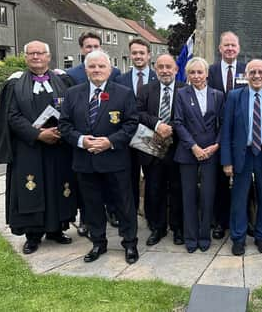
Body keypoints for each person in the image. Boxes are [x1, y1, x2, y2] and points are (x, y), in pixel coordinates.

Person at [0, 40, 77, 254]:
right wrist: (38, 134)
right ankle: (33, 236)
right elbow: (11, 116)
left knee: (58, 187)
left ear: (49, 57)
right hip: (29, 148)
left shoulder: (63, 81)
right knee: (31, 188)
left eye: (41, 53)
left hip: (58, 148)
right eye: (32, 54)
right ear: (25, 58)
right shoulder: (14, 84)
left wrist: (59, 132)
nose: (36, 57)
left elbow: (73, 111)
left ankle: (56, 230)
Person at [59, 50, 139, 265]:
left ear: (109, 69)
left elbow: (131, 123)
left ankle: (130, 243)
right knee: (92, 206)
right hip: (85, 161)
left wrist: (109, 141)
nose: (97, 70)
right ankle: (98, 242)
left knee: (124, 204)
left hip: (115, 160)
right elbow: (64, 125)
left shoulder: (123, 93)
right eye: (92, 67)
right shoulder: (73, 93)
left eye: (101, 66)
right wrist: (82, 140)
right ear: (85, 70)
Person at [221, 59, 262, 255]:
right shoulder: (234, 97)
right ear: (246, 75)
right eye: (253, 72)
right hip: (243, 154)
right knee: (239, 199)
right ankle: (238, 238)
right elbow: (227, 131)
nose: (257, 76)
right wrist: (227, 161)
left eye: (261, 72)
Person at [66, 31, 120, 235]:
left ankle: (111, 212)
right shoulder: (72, 75)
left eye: (96, 46)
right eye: (88, 46)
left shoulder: (113, 72)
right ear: (82, 50)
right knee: (86, 188)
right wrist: (81, 139)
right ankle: (87, 219)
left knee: (111, 184)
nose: (92, 50)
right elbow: (69, 110)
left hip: (108, 137)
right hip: (84, 139)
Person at [173, 57, 224, 253]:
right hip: (188, 152)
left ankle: (204, 235)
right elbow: (178, 122)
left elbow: (223, 122)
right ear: (187, 74)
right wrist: (193, 146)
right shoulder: (181, 94)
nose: (196, 76)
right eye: (192, 72)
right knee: (189, 196)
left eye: (199, 72)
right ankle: (190, 236)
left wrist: (216, 145)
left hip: (211, 152)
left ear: (207, 74)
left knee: (207, 196)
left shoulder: (217, 95)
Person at [137, 54, 185, 246]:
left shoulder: (185, 90)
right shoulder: (145, 90)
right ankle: (157, 228)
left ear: (176, 69)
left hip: (177, 149)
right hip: (152, 149)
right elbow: (138, 112)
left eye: (169, 67)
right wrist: (157, 125)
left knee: (177, 189)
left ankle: (177, 228)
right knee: (154, 189)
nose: (165, 70)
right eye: (161, 67)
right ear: (155, 70)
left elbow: (189, 115)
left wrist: (170, 127)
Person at [208, 31, 247, 240]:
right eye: (226, 45)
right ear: (219, 48)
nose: (230, 48)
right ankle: (220, 222)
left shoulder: (247, 71)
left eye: (233, 45)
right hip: (216, 136)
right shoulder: (210, 71)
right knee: (220, 182)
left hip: (241, 137)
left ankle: (244, 220)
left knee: (243, 180)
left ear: (238, 48)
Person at [115, 38, 158, 212]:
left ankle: (151, 216)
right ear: (130, 55)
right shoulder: (120, 80)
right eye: (134, 53)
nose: (138, 56)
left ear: (149, 55)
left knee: (153, 180)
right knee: (129, 178)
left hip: (150, 137)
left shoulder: (158, 77)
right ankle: (130, 214)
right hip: (127, 137)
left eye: (142, 53)